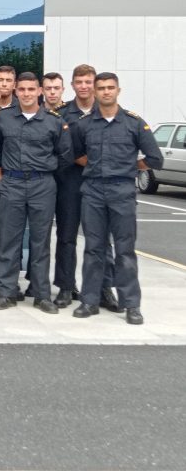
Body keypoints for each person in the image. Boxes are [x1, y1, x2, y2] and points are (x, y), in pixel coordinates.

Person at [71, 73, 163, 325]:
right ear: (95, 92)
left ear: (118, 90)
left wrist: (129, 167)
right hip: (93, 191)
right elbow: (76, 154)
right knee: (93, 248)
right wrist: (98, 167)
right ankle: (89, 300)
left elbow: (155, 158)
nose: (106, 92)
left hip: (122, 191)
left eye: (110, 88)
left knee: (125, 251)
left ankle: (131, 304)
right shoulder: (85, 124)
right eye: (101, 88)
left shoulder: (134, 123)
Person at [0, 73, 73, 314]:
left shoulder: (54, 121)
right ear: (15, 91)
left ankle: (41, 293)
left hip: (42, 185)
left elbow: (65, 155)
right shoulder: (4, 119)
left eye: (31, 89)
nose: (26, 93)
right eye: (22, 89)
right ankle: (6, 292)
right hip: (12, 183)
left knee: (40, 242)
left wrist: (47, 174)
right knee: (8, 240)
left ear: (39, 92)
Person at [53, 64, 119, 311]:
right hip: (70, 183)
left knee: (101, 239)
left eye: (87, 82)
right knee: (66, 237)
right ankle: (66, 287)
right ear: (72, 85)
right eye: (78, 82)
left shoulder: (109, 112)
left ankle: (104, 288)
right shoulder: (61, 114)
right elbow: (63, 151)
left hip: (102, 186)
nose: (83, 86)